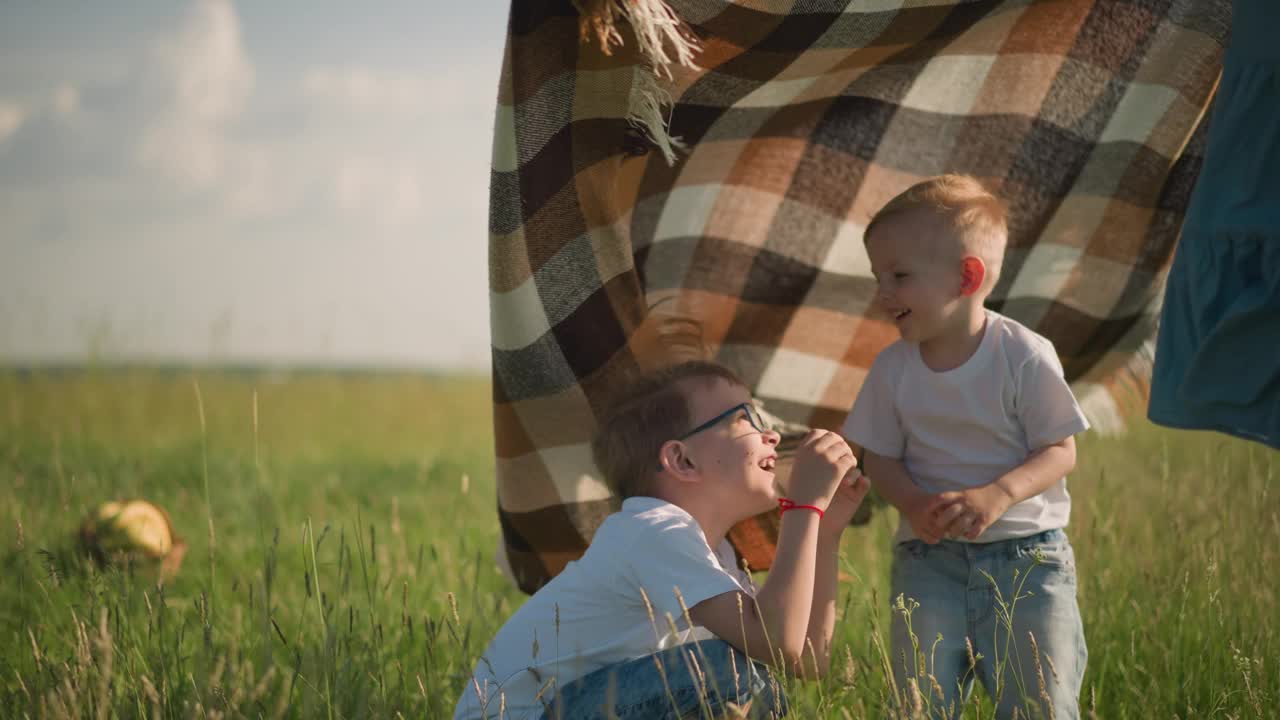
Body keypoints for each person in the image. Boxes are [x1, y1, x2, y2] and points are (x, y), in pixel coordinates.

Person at [455, 361, 871, 720]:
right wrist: (803, 509)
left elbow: (806, 659)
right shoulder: (652, 531)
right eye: (746, 418)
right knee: (733, 672)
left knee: (759, 685)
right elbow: (777, 643)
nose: (773, 436)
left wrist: (826, 530)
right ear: (682, 460)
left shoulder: (713, 554)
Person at [842, 175, 1090, 719]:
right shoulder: (892, 368)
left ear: (967, 275)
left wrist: (999, 494)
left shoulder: (1022, 354)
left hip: (1027, 561)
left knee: (1039, 705)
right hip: (928, 562)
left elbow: (1059, 450)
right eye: (878, 277)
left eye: (899, 276)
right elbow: (879, 457)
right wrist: (910, 503)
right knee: (918, 705)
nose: (883, 293)